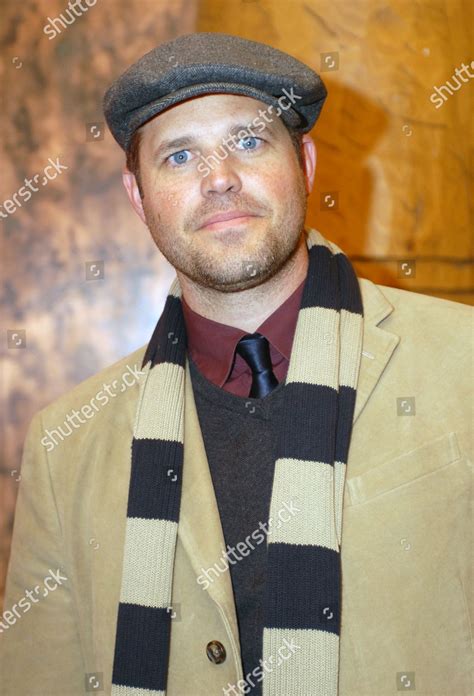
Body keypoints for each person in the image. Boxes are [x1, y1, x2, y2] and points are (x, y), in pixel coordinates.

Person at [1, 32, 472, 696]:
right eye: (181, 154)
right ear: (139, 199)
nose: (219, 177)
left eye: (248, 141)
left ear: (305, 164)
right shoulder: (63, 445)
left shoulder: (464, 368)